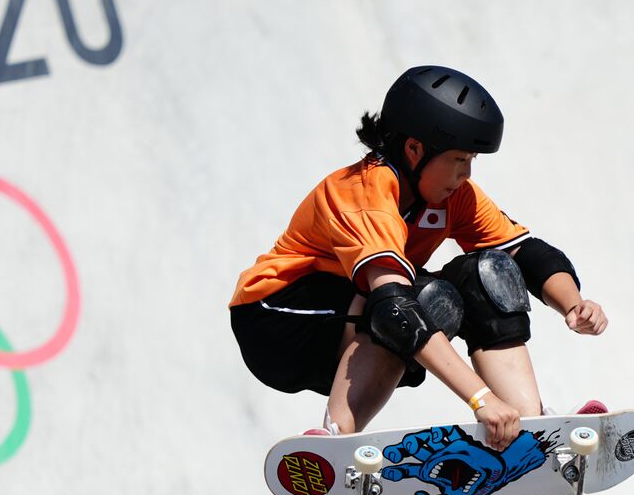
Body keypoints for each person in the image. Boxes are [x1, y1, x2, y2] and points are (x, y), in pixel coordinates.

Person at [229, 65, 607, 458]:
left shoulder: (455, 196)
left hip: (357, 315)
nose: (466, 174)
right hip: (277, 320)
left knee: (487, 274)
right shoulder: (363, 194)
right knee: (414, 302)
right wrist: (480, 399)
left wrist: (573, 302)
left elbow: (524, 253)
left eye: (472, 160)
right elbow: (394, 307)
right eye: (459, 159)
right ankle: (334, 442)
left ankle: (528, 428)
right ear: (414, 149)